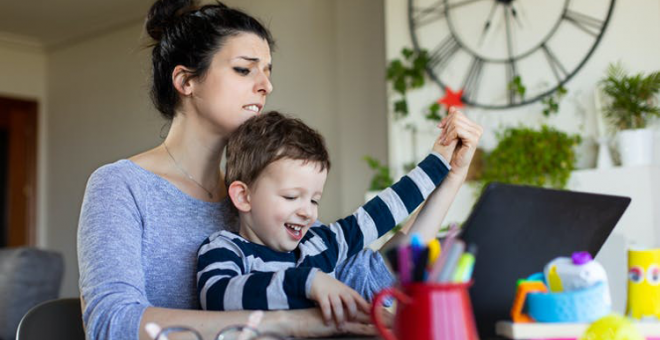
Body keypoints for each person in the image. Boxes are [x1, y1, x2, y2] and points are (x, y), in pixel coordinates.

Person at [76, 0, 483, 339]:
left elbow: (380, 277)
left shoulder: (267, 203)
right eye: (244, 69)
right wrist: (292, 322)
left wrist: (450, 177)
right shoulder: (122, 186)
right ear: (186, 81)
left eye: (268, 70)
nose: (266, 85)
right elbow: (112, 324)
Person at [197, 111, 452, 327]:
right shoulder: (225, 249)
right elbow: (217, 296)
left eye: (314, 200)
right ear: (243, 196)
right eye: (291, 197)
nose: (307, 212)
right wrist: (308, 282)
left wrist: (440, 161)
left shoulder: (320, 242)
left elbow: (382, 212)